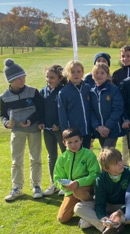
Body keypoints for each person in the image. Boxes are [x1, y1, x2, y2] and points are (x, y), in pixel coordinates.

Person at [2, 59, 45, 201]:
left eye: (23, 77)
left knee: (36, 158)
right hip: (17, 131)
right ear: (11, 81)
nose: (22, 80)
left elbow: (41, 109)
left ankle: (36, 186)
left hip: (34, 130)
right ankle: (17, 188)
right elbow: (2, 114)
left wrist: (31, 120)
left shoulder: (33, 92)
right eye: (19, 78)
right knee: (16, 160)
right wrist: (6, 123)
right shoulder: (4, 97)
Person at [74, 147, 130, 234]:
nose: (120, 164)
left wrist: (119, 212)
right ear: (106, 169)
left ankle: (92, 222)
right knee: (78, 207)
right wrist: (102, 217)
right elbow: (100, 202)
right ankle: (107, 227)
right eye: (115, 163)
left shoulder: (129, 173)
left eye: (120, 160)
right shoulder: (101, 179)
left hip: (122, 206)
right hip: (107, 205)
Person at [54, 128, 100, 223]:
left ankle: (92, 205)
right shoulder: (62, 158)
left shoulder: (89, 155)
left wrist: (78, 183)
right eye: (69, 142)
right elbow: (57, 177)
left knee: (78, 191)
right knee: (62, 218)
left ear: (81, 140)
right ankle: (79, 205)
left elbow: (95, 175)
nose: (73, 145)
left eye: (76, 141)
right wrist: (64, 186)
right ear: (64, 143)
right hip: (70, 191)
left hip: (86, 188)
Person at [41, 65, 67, 196]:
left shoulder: (63, 91)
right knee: (52, 157)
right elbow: (40, 110)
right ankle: (54, 183)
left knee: (64, 156)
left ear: (59, 78)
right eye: (47, 77)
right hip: (47, 130)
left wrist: (58, 124)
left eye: (52, 77)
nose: (49, 80)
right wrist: (41, 122)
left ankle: (65, 183)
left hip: (60, 130)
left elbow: (63, 111)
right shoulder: (43, 91)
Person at [58, 60, 92, 149]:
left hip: (87, 131)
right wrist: (66, 131)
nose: (76, 74)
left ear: (82, 73)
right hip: (73, 133)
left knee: (86, 156)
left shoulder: (88, 88)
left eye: (78, 72)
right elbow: (62, 114)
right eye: (72, 72)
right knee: (75, 157)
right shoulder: (63, 92)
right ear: (67, 74)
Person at [112, 45, 130, 167]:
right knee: (124, 141)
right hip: (121, 111)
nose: (125, 59)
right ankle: (125, 165)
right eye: (123, 56)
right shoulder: (117, 74)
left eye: (128, 56)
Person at [90, 63, 125, 149]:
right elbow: (91, 111)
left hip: (112, 129)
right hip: (99, 130)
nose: (99, 75)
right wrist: (97, 127)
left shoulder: (113, 90)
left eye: (102, 73)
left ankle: (118, 162)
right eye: (96, 73)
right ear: (92, 76)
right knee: (106, 153)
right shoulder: (91, 92)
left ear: (107, 75)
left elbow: (117, 109)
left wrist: (107, 126)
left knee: (107, 152)